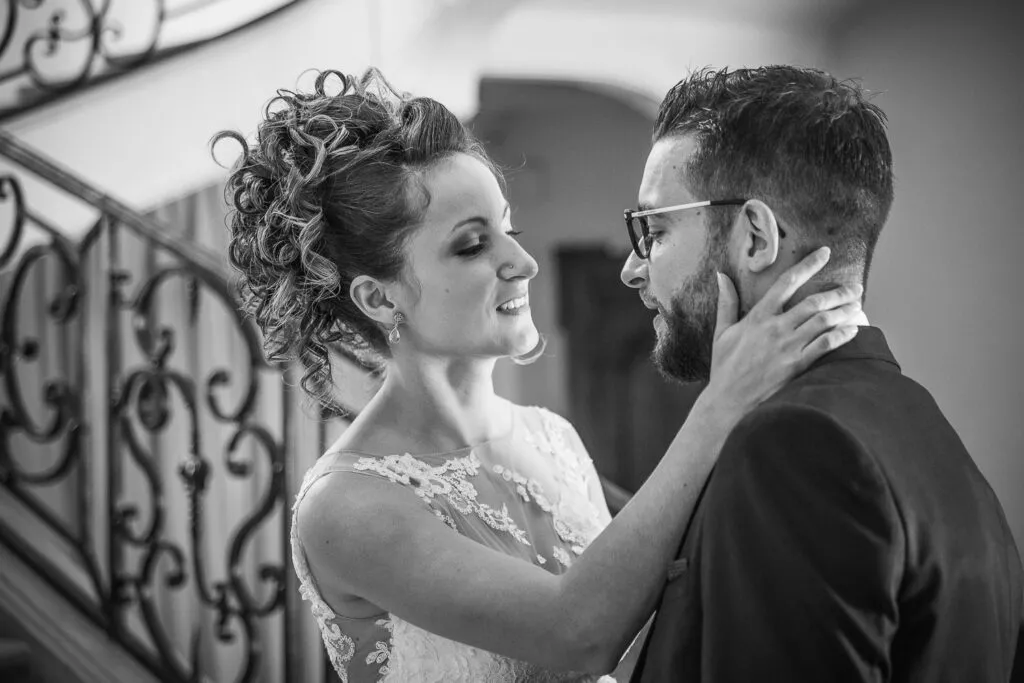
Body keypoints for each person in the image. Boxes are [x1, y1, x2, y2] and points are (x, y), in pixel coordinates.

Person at [215, 68, 863, 682]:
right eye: (473, 244)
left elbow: (648, 644)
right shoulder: (346, 507)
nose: (523, 262)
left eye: (509, 228)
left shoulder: (553, 438)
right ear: (380, 298)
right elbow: (578, 631)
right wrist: (721, 404)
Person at [623, 65, 1024, 682]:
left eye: (654, 230)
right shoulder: (923, 426)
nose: (632, 268)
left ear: (755, 237)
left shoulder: (793, 446)